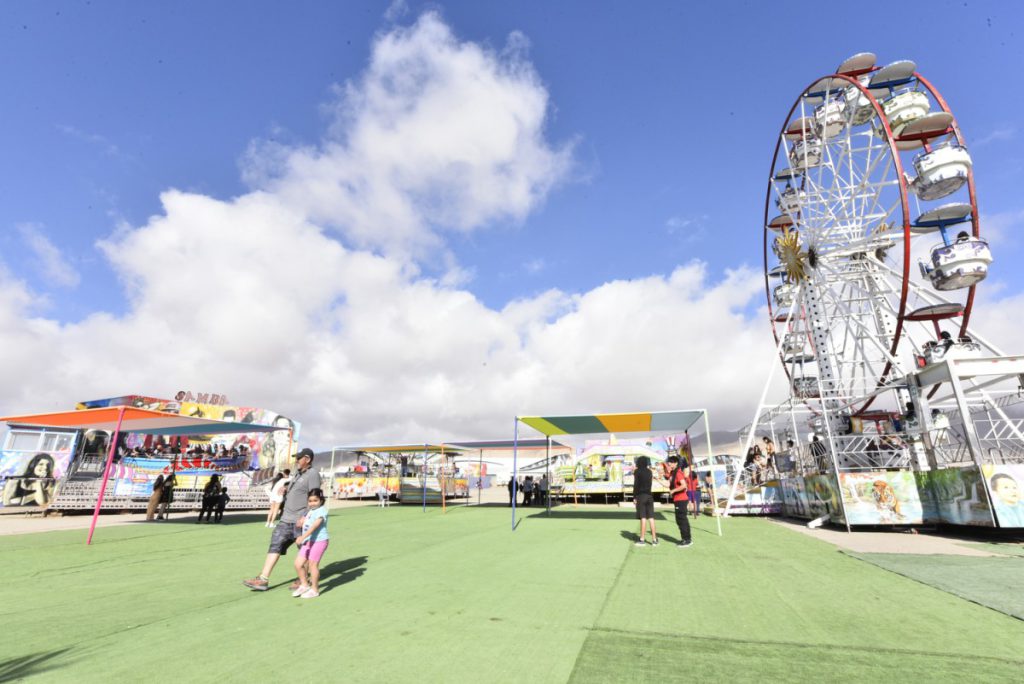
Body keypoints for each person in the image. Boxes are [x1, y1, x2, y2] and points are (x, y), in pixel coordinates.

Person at [243, 448, 322, 592]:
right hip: (286, 519)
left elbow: (315, 498)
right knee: (275, 544)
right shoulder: (298, 473)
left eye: (298, 458)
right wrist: (286, 488)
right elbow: (298, 488)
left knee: (303, 550)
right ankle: (263, 579)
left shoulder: (313, 474)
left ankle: (303, 579)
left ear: (307, 459)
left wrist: (306, 516)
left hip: (300, 520)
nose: (296, 461)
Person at [292, 488, 330, 599]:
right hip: (308, 541)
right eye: (310, 501)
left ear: (321, 500)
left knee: (313, 565)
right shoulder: (310, 511)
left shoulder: (322, 511)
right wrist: (301, 521)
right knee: (298, 564)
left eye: (315, 500)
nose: (312, 503)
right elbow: (306, 520)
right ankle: (304, 585)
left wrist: (302, 537)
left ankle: (314, 589)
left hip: (319, 541)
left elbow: (315, 526)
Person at [665, 456, 692, 548]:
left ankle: (687, 540)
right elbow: (668, 483)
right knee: (681, 519)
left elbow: (684, 485)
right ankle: (686, 539)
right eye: (669, 462)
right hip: (678, 499)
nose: (669, 463)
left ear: (676, 463)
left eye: (671, 462)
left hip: (681, 499)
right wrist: (657, 479)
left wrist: (674, 490)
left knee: (681, 519)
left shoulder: (678, 473)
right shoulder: (673, 473)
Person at [632, 456, 658, 546]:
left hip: (641, 496)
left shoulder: (637, 471)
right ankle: (654, 539)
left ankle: (642, 539)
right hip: (649, 496)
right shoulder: (649, 471)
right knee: (651, 518)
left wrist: (634, 497)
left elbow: (636, 485)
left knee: (643, 518)